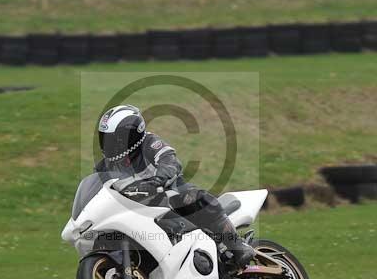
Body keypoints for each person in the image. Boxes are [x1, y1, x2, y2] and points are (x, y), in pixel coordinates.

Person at [94, 104, 256, 270]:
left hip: (169, 195)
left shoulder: (150, 143)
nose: (107, 144)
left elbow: (170, 161)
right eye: (104, 138)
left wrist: (158, 179)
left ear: (131, 136)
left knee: (193, 198)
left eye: (113, 139)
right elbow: (99, 192)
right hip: (137, 209)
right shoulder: (104, 167)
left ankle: (237, 245)